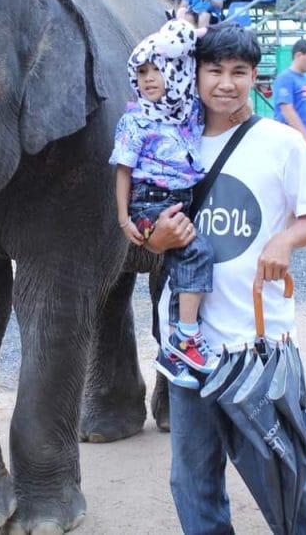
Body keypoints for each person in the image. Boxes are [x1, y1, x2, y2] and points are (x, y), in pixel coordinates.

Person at [146, 22, 306, 534]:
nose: (226, 83)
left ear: (255, 77)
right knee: (193, 482)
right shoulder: (172, 143)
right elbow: (149, 232)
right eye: (214, 71)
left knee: (289, 477)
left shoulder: (281, 143)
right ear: (195, 75)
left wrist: (284, 240)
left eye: (239, 71)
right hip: (189, 347)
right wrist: (155, 239)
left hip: (256, 343)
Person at [110, 19, 217, 382]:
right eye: (141, 72)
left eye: (157, 69)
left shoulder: (189, 112)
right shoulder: (135, 121)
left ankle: (172, 354)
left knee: (175, 274)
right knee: (197, 253)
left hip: (181, 201)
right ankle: (187, 336)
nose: (149, 79)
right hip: (150, 204)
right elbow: (123, 170)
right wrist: (125, 219)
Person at [272, 38, 306, 154]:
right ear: (298, 55)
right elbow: (287, 110)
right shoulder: (286, 78)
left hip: (298, 139)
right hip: (287, 140)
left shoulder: (304, 78)